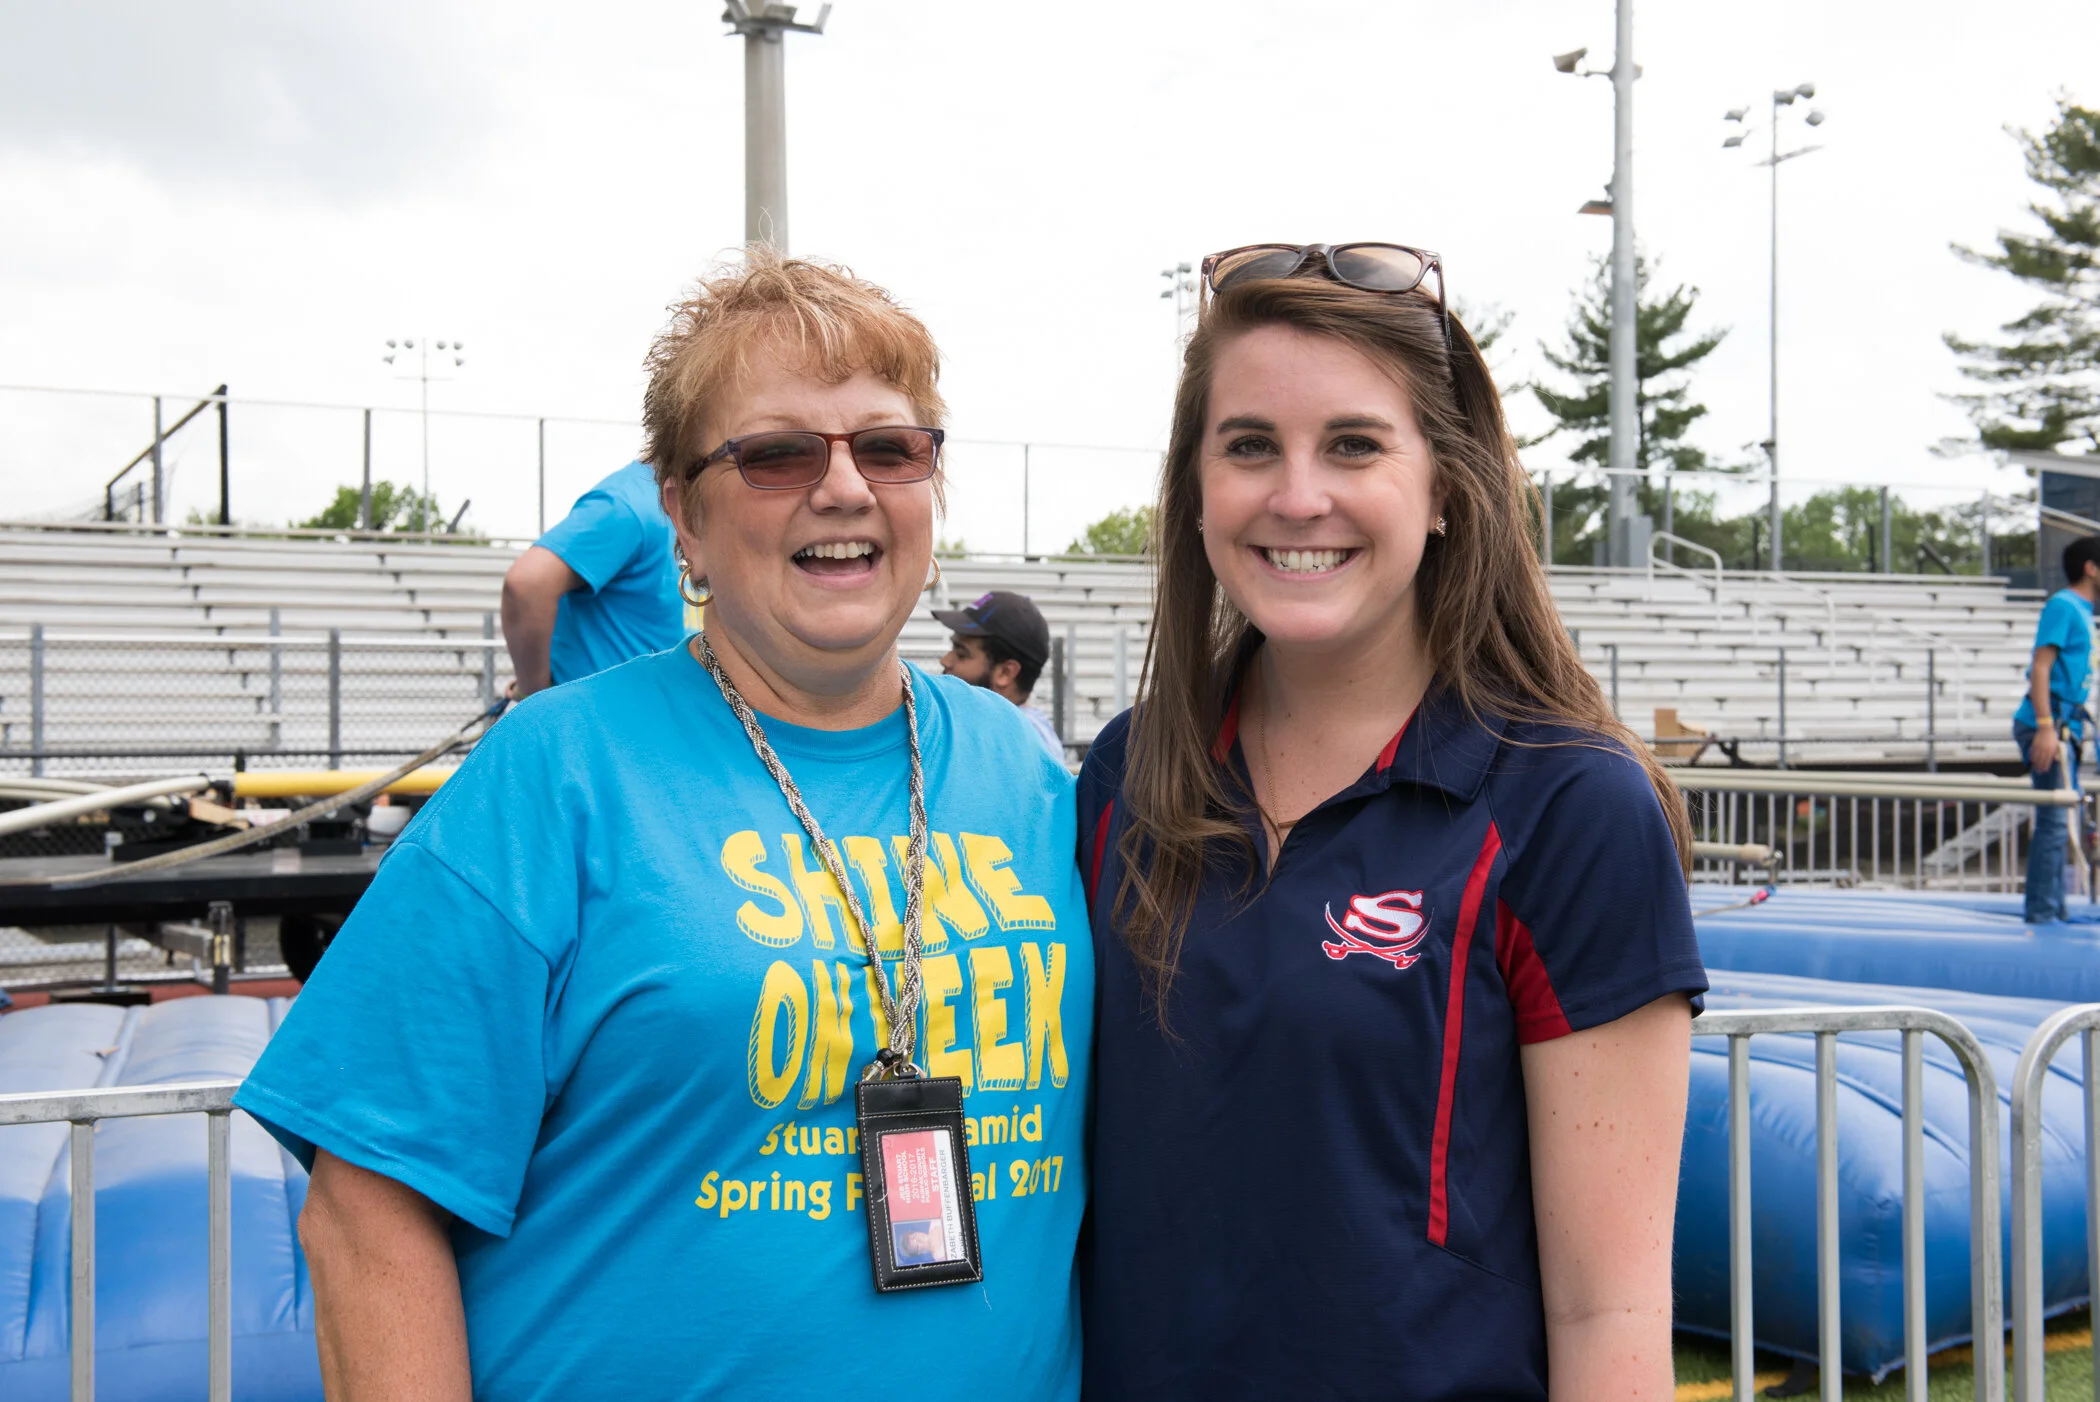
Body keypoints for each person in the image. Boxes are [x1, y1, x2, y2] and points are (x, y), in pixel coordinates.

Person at [235, 249, 1094, 1400]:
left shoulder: (1032, 774)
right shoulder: (555, 774)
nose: (843, 487)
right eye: (779, 453)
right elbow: (365, 1207)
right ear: (681, 517)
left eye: (889, 447)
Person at [1075, 243, 1706, 1401]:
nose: (1297, 495)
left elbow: (1607, 1307)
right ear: (1196, 487)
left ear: (1449, 489)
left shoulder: (1570, 805)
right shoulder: (1131, 774)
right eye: (1250, 444)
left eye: (1355, 444)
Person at [500, 459, 690, 697]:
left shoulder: (674, 503)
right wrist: (534, 699)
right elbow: (528, 584)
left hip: (660, 715)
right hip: (612, 722)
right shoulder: (630, 504)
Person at [2013, 534, 2100, 923]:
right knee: (2052, 821)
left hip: (2065, 726)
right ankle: (2042, 914)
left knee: (2063, 821)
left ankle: (2055, 909)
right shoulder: (2064, 605)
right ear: (2091, 568)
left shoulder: (2083, 611)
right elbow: (2041, 666)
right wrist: (2047, 727)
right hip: (2046, 725)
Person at [936, 589, 1065, 761]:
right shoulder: (999, 729)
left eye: (961, 654)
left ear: (1005, 673)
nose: (945, 661)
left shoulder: (1016, 739)